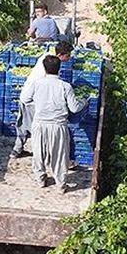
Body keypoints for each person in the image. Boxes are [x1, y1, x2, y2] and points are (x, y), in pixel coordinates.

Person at [21, 54, 86, 191]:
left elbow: (25, 99)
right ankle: (61, 184)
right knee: (59, 155)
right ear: (59, 68)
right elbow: (74, 108)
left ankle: (41, 179)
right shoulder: (65, 86)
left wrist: (38, 104)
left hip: (39, 124)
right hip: (58, 125)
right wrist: (84, 103)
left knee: (39, 153)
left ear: (45, 69)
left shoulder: (36, 84)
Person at [11, 41, 74, 159]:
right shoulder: (53, 63)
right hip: (33, 99)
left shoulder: (46, 58)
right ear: (61, 54)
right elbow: (49, 84)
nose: (69, 58)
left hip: (27, 95)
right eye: (68, 55)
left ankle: (17, 150)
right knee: (38, 129)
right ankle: (44, 157)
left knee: (24, 124)